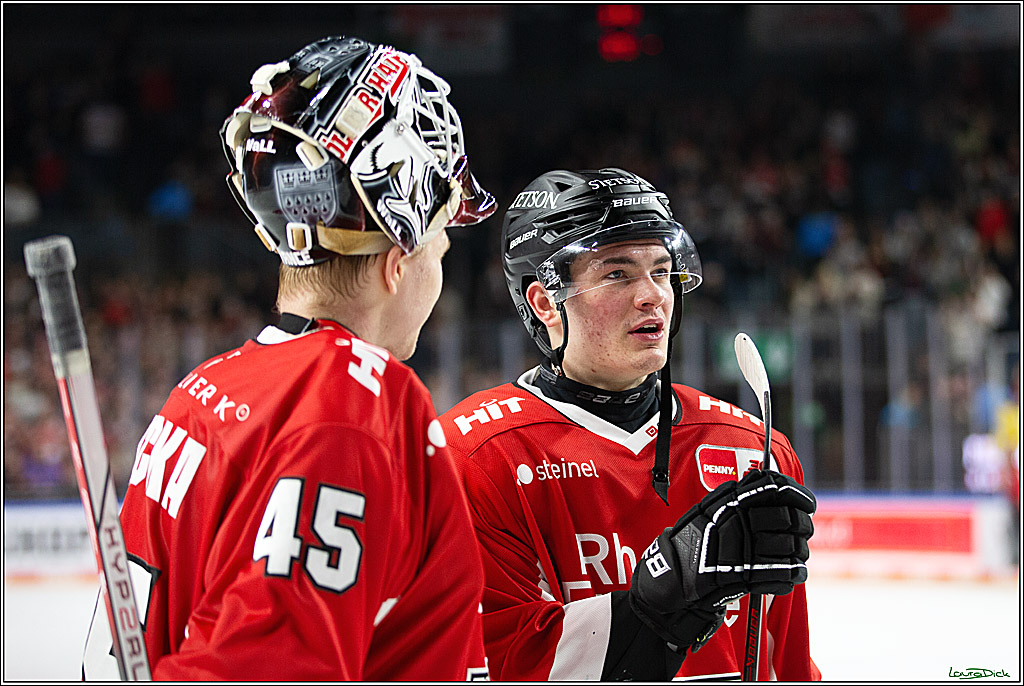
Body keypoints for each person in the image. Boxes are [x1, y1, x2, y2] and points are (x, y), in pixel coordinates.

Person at [82, 36, 495, 680]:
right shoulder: (352, 410)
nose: (438, 273)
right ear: (399, 260)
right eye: (440, 246)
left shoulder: (204, 388)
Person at [440, 168, 818, 680]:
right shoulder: (475, 457)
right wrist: (665, 596)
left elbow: (786, 660)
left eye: (661, 271)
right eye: (618, 274)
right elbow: (498, 661)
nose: (653, 295)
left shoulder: (752, 450)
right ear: (546, 302)